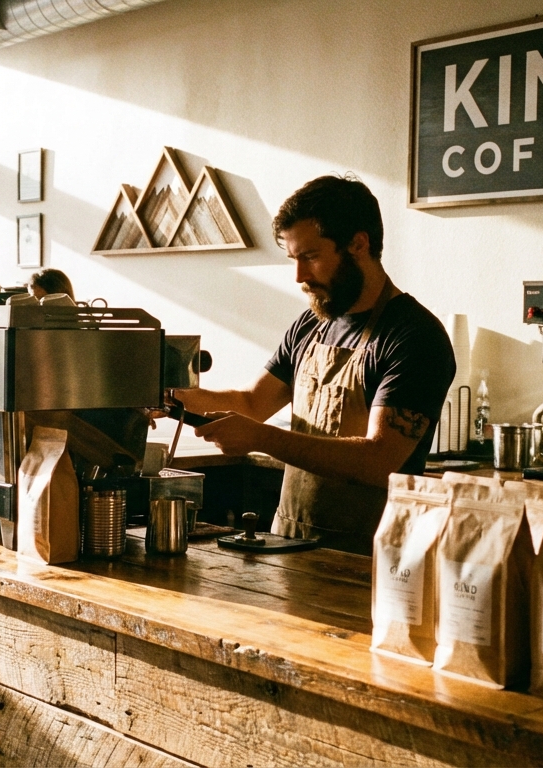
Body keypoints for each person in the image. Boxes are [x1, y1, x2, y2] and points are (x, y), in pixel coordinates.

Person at [173, 175, 455, 555]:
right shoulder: (312, 323)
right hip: (288, 546)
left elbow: (379, 460)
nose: (300, 277)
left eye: (311, 257)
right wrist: (172, 398)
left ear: (358, 244)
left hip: (372, 560)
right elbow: (254, 403)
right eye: (294, 259)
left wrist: (260, 437)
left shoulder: (414, 336)